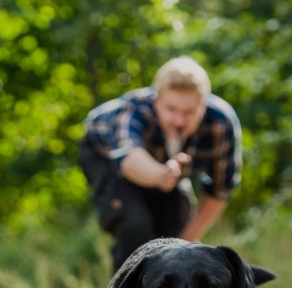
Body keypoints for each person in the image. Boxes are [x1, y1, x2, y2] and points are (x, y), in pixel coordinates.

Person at [78, 57, 242, 271]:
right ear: (156, 101)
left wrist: (187, 240)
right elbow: (130, 160)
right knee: (135, 224)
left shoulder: (222, 123)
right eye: (171, 110)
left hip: (168, 172)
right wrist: (161, 174)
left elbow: (221, 189)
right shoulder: (133, 110)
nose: (179, 121)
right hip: (107, 159)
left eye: (189, 112)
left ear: (203, 105)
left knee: (176, 242)